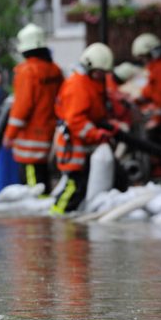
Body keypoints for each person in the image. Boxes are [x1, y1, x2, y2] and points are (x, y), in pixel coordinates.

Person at [51, 43, 117, 214]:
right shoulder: (78, 85)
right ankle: (58, 218)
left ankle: (67, 221)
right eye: (99, 72)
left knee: (79, 185)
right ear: (89, 67)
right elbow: (76, 120)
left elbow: (95, 112)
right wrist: (97, 134)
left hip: (80, 145)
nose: (101, 77)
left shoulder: (90, 83)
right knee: (74, 186)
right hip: (73, 146)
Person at [3, 23, 64, 195]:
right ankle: (44, 212)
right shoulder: (54, 69)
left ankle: (35, 219)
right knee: (43, 178)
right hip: (48, 134)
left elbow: (22, 108)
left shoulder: (27, 71)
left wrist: (9, 135)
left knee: (32, 188)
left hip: (29, 140)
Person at [132, 33, 161, 176]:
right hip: (157, 116)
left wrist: (155, 119)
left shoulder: (158, 69)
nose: (144, 61)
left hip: (159, 120)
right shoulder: (154, 69)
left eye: (144, 57)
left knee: (153, 139)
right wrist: (137, 100)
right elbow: (150, 91)